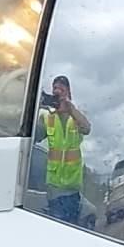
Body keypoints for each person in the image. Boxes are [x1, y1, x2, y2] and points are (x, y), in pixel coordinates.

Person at [40, 76, 90, 225]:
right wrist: (39, 104)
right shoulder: (48, 117)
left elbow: (86, 128)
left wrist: (70, 109)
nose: (57, 92)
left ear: (68, 92)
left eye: (61, 89)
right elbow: (33, 135)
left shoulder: (76, 116)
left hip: (71, 188)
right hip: (52, 189)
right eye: (54, 88)